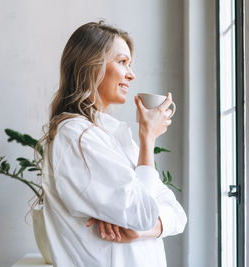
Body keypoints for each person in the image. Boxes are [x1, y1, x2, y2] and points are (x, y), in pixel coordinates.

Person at [40, 21, 187, 267]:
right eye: (122, 62)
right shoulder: (76, 135)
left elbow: (178, 216)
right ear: (91, 66)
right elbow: (143, 213)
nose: (131, 74)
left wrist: (142, 230)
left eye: (130, 64)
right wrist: (148, 137)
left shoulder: (114, 136)